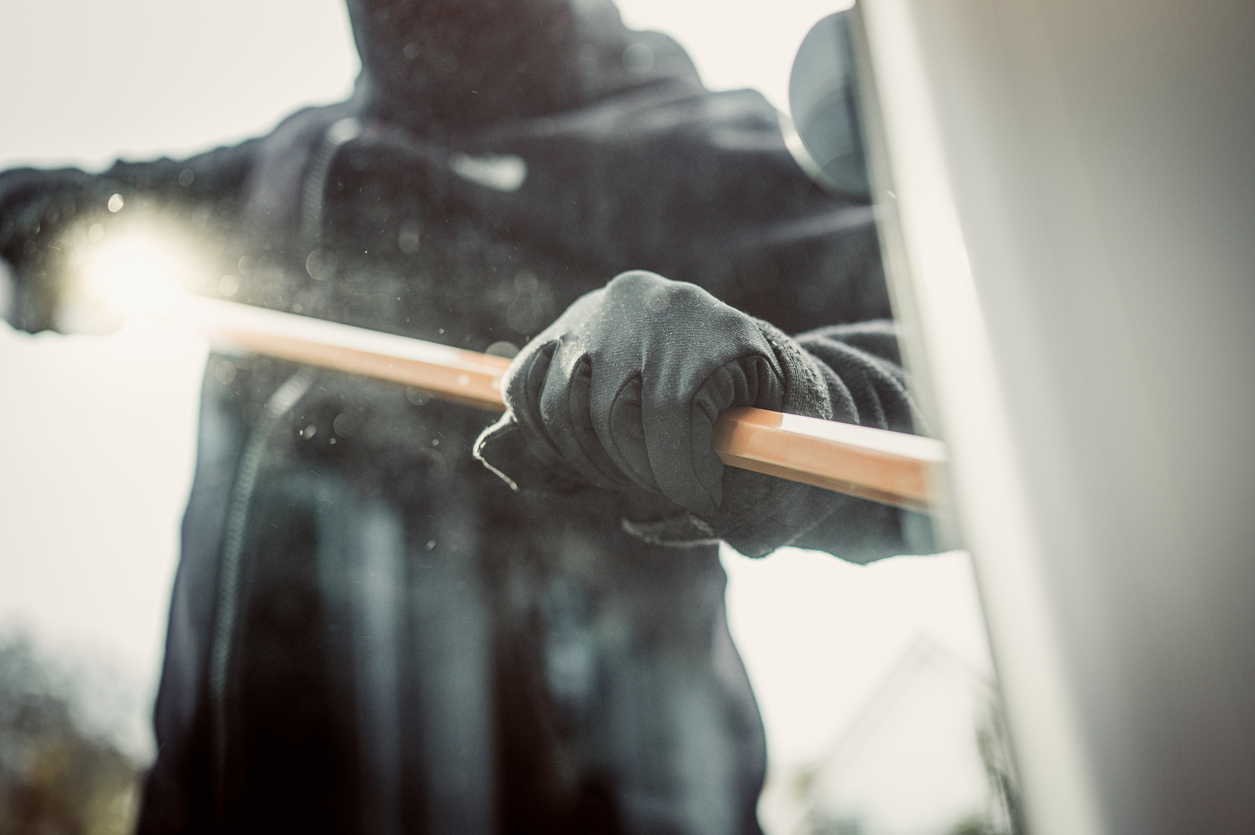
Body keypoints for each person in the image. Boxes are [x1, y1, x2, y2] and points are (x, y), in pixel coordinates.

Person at [0, 1, 933, 832]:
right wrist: (32, 222)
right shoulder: (289, 161)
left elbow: (976, 366)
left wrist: (804, 387)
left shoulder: (692, 152)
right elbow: (74, 200)